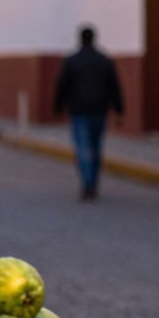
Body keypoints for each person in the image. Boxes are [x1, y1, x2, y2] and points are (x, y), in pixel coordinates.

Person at [54, 26, 124, 200]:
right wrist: (119, 109)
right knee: (96, 146)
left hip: (78, 110)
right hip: (99, 109)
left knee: (82, 146)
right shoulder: (105, 60)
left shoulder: (72, 61)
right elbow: (114, 86)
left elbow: (62, 86)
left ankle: (87, 182)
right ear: (94, 39)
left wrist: (57, 106)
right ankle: (93, 181)